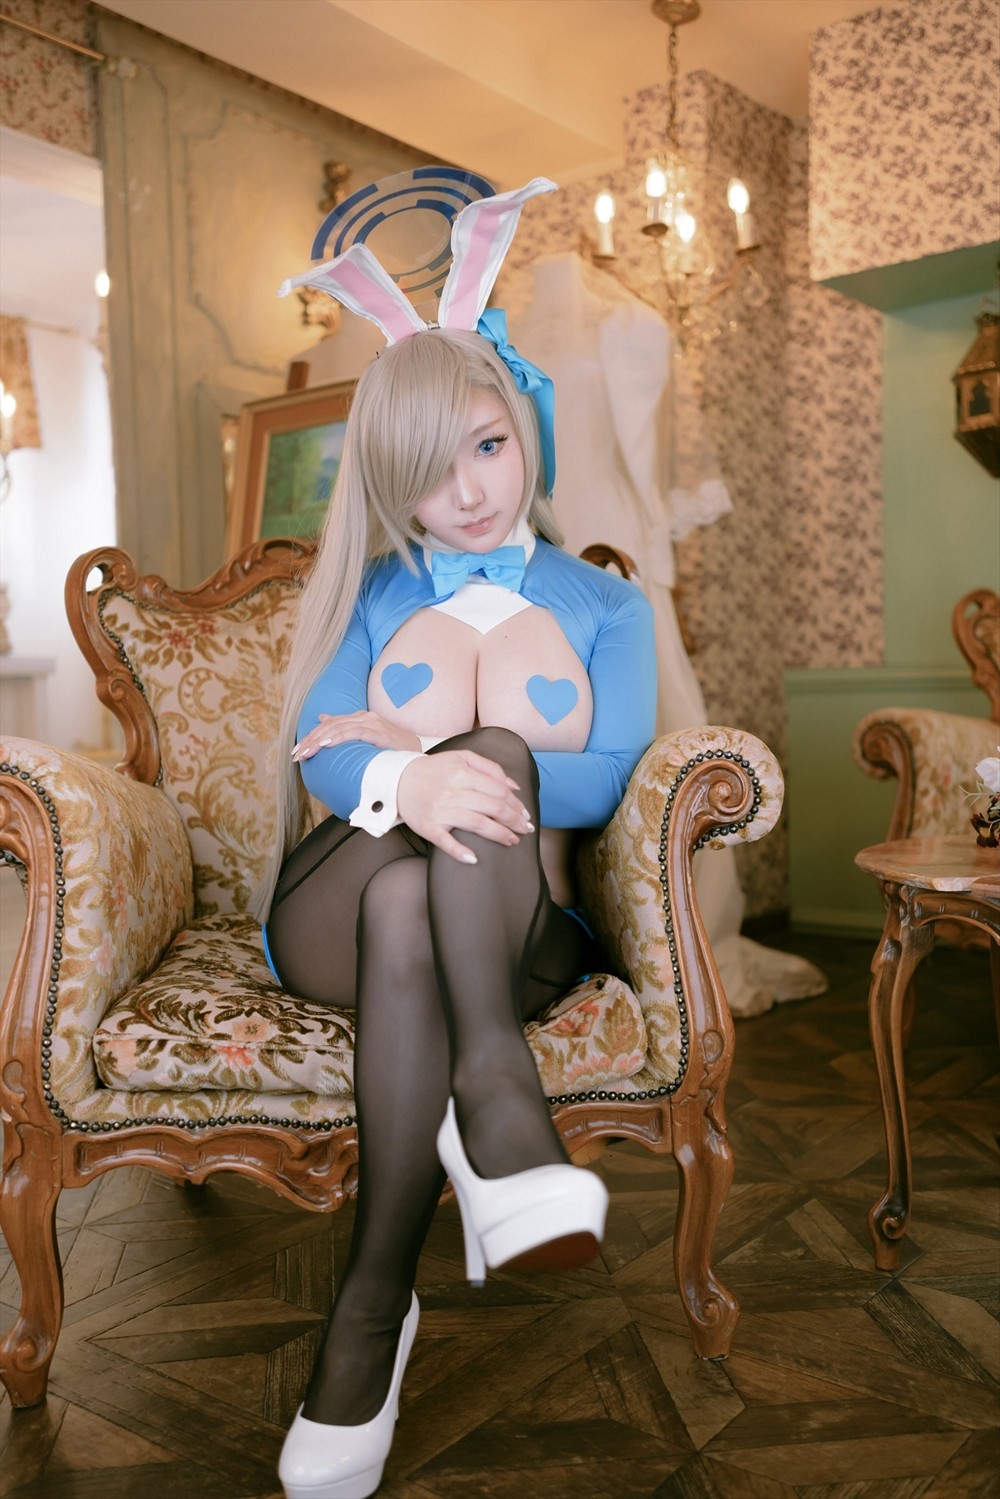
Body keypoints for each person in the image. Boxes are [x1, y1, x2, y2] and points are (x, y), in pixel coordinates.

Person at [254, 176, 656, 1499]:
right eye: (427, 471)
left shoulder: (606, 606)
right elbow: (323, 751)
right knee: (402, 858)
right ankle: (499, 1107)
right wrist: (402, 781)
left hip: (520, 931)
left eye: (485, 445)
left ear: (520, 423)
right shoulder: (373, 593)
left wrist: (450, 767)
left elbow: (612, 774)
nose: (468, 494)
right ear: (390, 484)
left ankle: (371, 1304)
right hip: (330, 912)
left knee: (428, 872)